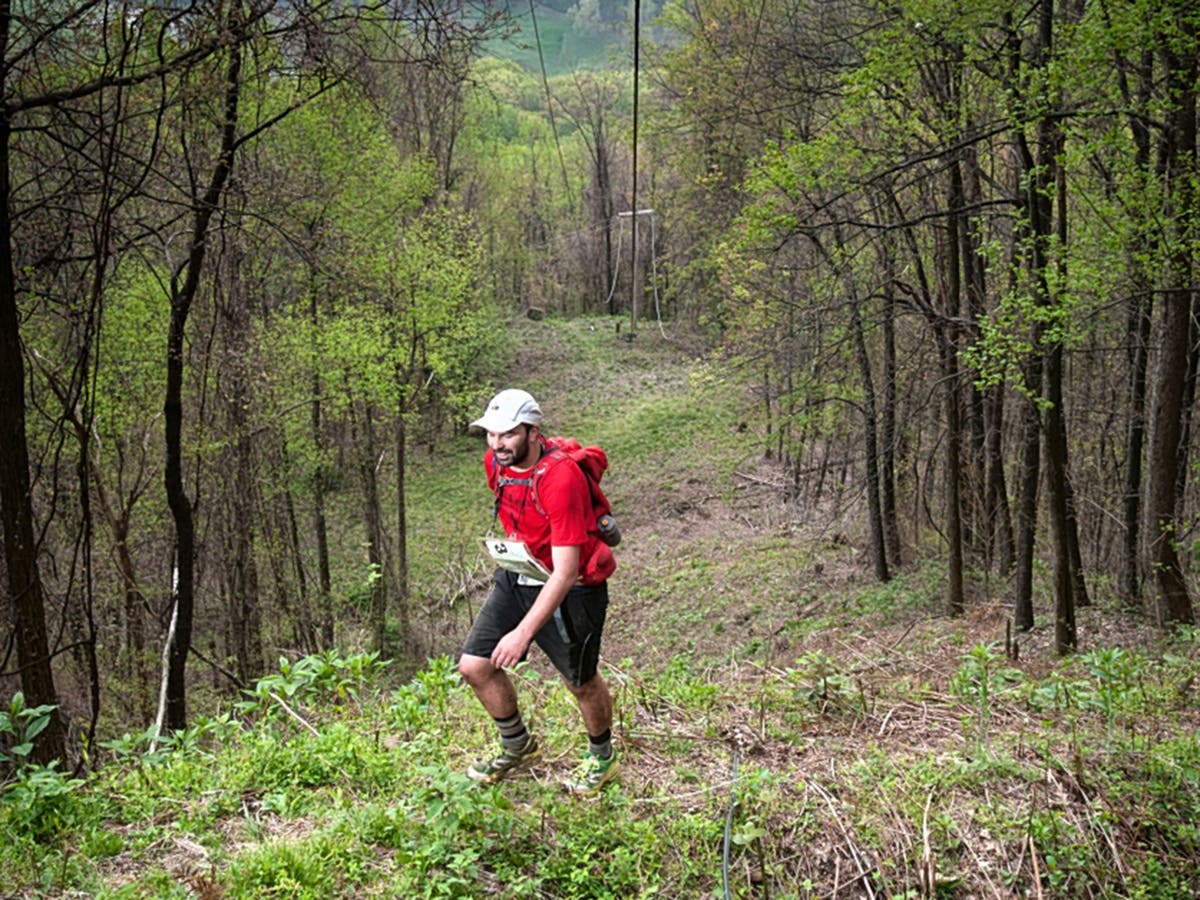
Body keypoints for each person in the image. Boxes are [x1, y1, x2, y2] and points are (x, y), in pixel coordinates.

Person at [459, 388, 619, 794]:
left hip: (574, 587)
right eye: (491, 435)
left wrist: (522, 633)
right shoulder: (495, 463)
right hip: (519, 572)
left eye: (508, 434)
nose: (497, 444)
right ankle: (518, 746)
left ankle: (602, 759)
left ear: (532, 431)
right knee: (475, 666)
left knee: (579, 681)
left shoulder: (561, 478)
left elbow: (565, 572)